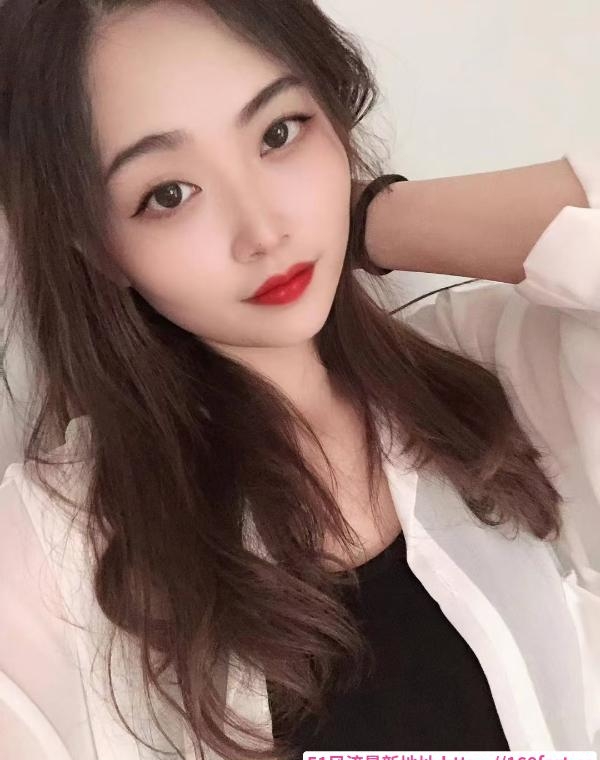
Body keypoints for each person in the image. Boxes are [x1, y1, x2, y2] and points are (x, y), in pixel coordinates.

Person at [0, 1, 598, 759]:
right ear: (96, 246)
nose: (264, 231)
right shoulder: (45, 561)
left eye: (280, 133)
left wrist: (375, 217)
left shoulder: (490, 372)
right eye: (169, 194)